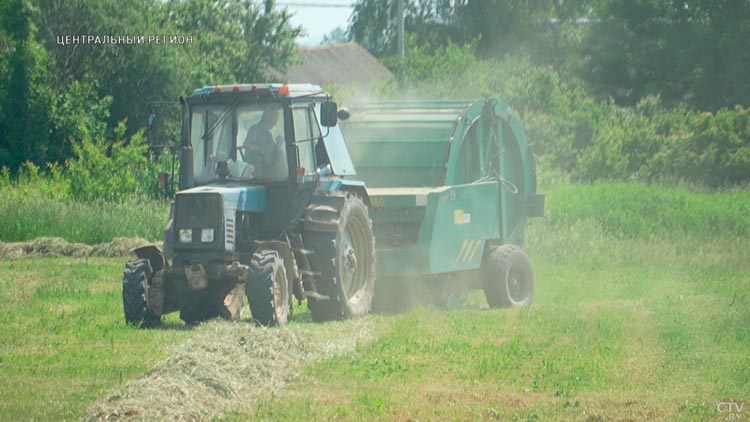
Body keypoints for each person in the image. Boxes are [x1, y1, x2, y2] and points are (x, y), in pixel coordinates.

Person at [243, 108, 282, 177]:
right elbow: (246, 145)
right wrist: (258, 149)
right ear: (267, 117)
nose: (275, 124)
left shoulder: (269, 135)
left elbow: (273, 154)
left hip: (270, 169)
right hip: (258, 170)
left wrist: (278, 145)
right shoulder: (255, 130)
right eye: (274, 120)